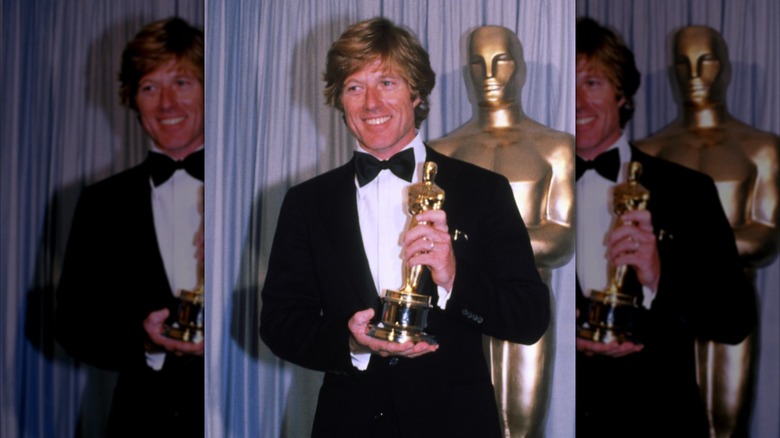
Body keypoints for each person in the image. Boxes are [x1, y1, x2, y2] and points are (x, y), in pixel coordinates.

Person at [260, 17, 550, 437]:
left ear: (416, 92)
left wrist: (453, 277)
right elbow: (280, 323)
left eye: (387, 83)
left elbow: (529, 317)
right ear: (340, 100)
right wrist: (351, 342)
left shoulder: (482, 190)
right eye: (355, 87)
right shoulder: (308, 203)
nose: (371, 104)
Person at [574, 17, 756, 437]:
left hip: (660, 416)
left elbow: (734, 319)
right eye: (569, 86)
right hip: (566, 416)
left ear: (621, 92)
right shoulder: (537, 192)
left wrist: (659, 277)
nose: (578, 103)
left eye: (592, 83)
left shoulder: (688, 191)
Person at [56, 17, 205, 437]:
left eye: (181, 83)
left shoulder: (247, 193)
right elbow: (72, 324)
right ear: (133, 100)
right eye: (149, 87)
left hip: (236, 414)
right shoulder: (102, 202)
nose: (166, 104)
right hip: (139, 419)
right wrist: (145, 340)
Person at [429, 25, 574, 437]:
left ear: (521, 68)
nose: (489, 73)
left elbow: (561, 240)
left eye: (501, 60)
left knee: (522, 428)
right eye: (478, 63)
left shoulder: (556, 147)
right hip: (454, 304)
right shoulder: (442, 151)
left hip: (522, 301)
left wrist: (475, 247)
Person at [635, 26, 779, 436]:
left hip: (728, 297)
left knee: (727, 424)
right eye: (683, 62)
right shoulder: (650, 150)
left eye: (706, 60)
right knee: (666, 418)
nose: (694, 73)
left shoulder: (760, 147)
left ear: (725, 67)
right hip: (661, 303)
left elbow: (765, 238)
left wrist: (681, 246)